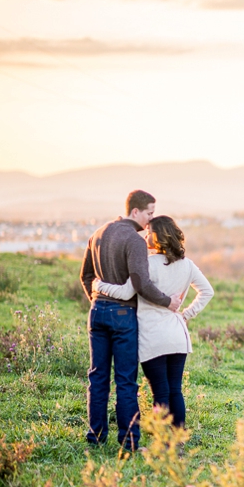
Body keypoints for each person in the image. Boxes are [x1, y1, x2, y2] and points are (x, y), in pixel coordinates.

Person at [80, 190, 182, 450]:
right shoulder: (135, 240)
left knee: (97, 376)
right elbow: (141, 282)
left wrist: (96, 300)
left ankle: (96, 437)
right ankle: (129, 443)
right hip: (124, 315)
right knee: (125, 380)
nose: (151, 219)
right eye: (149, 213)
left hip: (97, 311)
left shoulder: (98, 233)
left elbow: (86, 276)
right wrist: (166, 301)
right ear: (135, 211)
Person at [93, 215, 214, 429]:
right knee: (175, 390)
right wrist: (185, 315)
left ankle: (162, 439)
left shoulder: (146, 263)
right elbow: (207, 291)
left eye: (149, 232)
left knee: (161, 391)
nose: (145, 236)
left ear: (157, 237)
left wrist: (99, 285)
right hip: (177, 336)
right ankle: (177, 438)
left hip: (153, 337)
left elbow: (126, 292)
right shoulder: (188, 265)